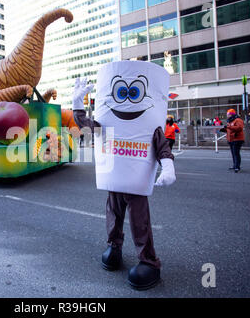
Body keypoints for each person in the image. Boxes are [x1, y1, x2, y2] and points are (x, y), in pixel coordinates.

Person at [72, 61, 176, 290]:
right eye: (121, 93)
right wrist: (77, 104)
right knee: (113, 213)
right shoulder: (107, 123)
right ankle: (114, 247)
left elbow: (161, 145)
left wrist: (168, 166)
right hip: (115, 176)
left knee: (140, 221)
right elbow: (88, 128)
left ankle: (149, 261)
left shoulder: (151, 125)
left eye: (134, 93)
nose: (128, 100)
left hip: (136, 181)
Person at [220, 109, 244, 173]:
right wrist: (225, 129)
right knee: (233, 153)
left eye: (228, 114)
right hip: (232, 139)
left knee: (236, 153)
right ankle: (235, 165)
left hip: (237, 139)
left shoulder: (238, 120)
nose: (227, 115)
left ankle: (237, 167)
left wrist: (229, 127)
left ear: (231, 114)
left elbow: (239, 128)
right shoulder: (230, 121)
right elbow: (230, 129)